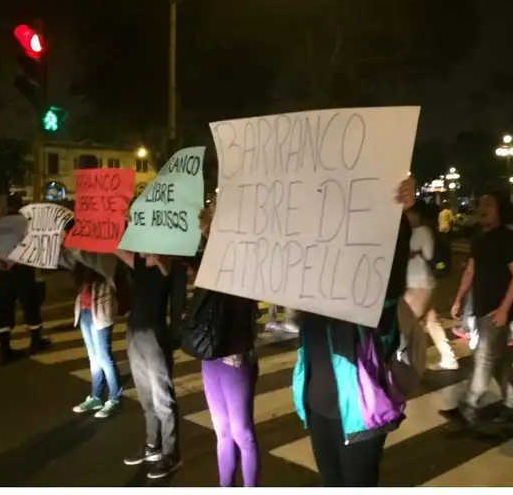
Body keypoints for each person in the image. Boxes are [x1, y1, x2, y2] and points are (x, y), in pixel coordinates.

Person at [291, 177, 413, 487]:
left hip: (359, 412)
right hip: (317, 410)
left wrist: (397, 220)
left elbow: (391, 276)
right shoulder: (308, 289)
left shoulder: (370, 298)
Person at [448, 190, 513, 428]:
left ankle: (469, 404)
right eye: (480, 204)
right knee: (499, 359)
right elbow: (470, 271)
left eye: (489, 205)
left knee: (483, 357)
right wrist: (458, 299)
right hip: (482, 306)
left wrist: (504, 309)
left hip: (496, 309)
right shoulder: (479, 239)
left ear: (500, 210)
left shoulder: (509, 238)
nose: (482, 209)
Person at [194, 205, 261, 487]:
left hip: (235, 356)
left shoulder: (247, 262)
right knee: (221, 431)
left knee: (242, 433)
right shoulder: (208, 264)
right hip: (210, 356)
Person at [118, 248, 181, 479]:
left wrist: (159, 257)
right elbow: (114, 247)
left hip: (155, 336)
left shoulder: (165, 264)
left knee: (162, 397)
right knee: (145, 396)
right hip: (134, 333)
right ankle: (152, 445)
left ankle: (171, 454)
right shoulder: (138, 261)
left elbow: (166, 267)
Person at [0, 195, 51, 361]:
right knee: (30, 305)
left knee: (4, 308)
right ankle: (36, 340)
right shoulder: (27, 223)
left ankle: (5, 347)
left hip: (2, 272)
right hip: (22, 270)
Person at [400, 200, 458, 370]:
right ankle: (449, 358)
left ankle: (409, 364)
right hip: (424, 284)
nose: (405, 216)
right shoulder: (419, 231)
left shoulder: (421, 231)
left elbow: (420, 253)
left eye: (408, 213)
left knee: (405, 324)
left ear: (417, 214)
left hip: (418, 284)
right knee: (432, 322)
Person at [69, 261, 124, 418]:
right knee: (93, 358)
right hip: (84, 311)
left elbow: (110, 275)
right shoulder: (81, 259)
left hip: (101, 311)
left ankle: (115, 399)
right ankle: (96, 396)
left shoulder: (104, 259)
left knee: (104, 357)